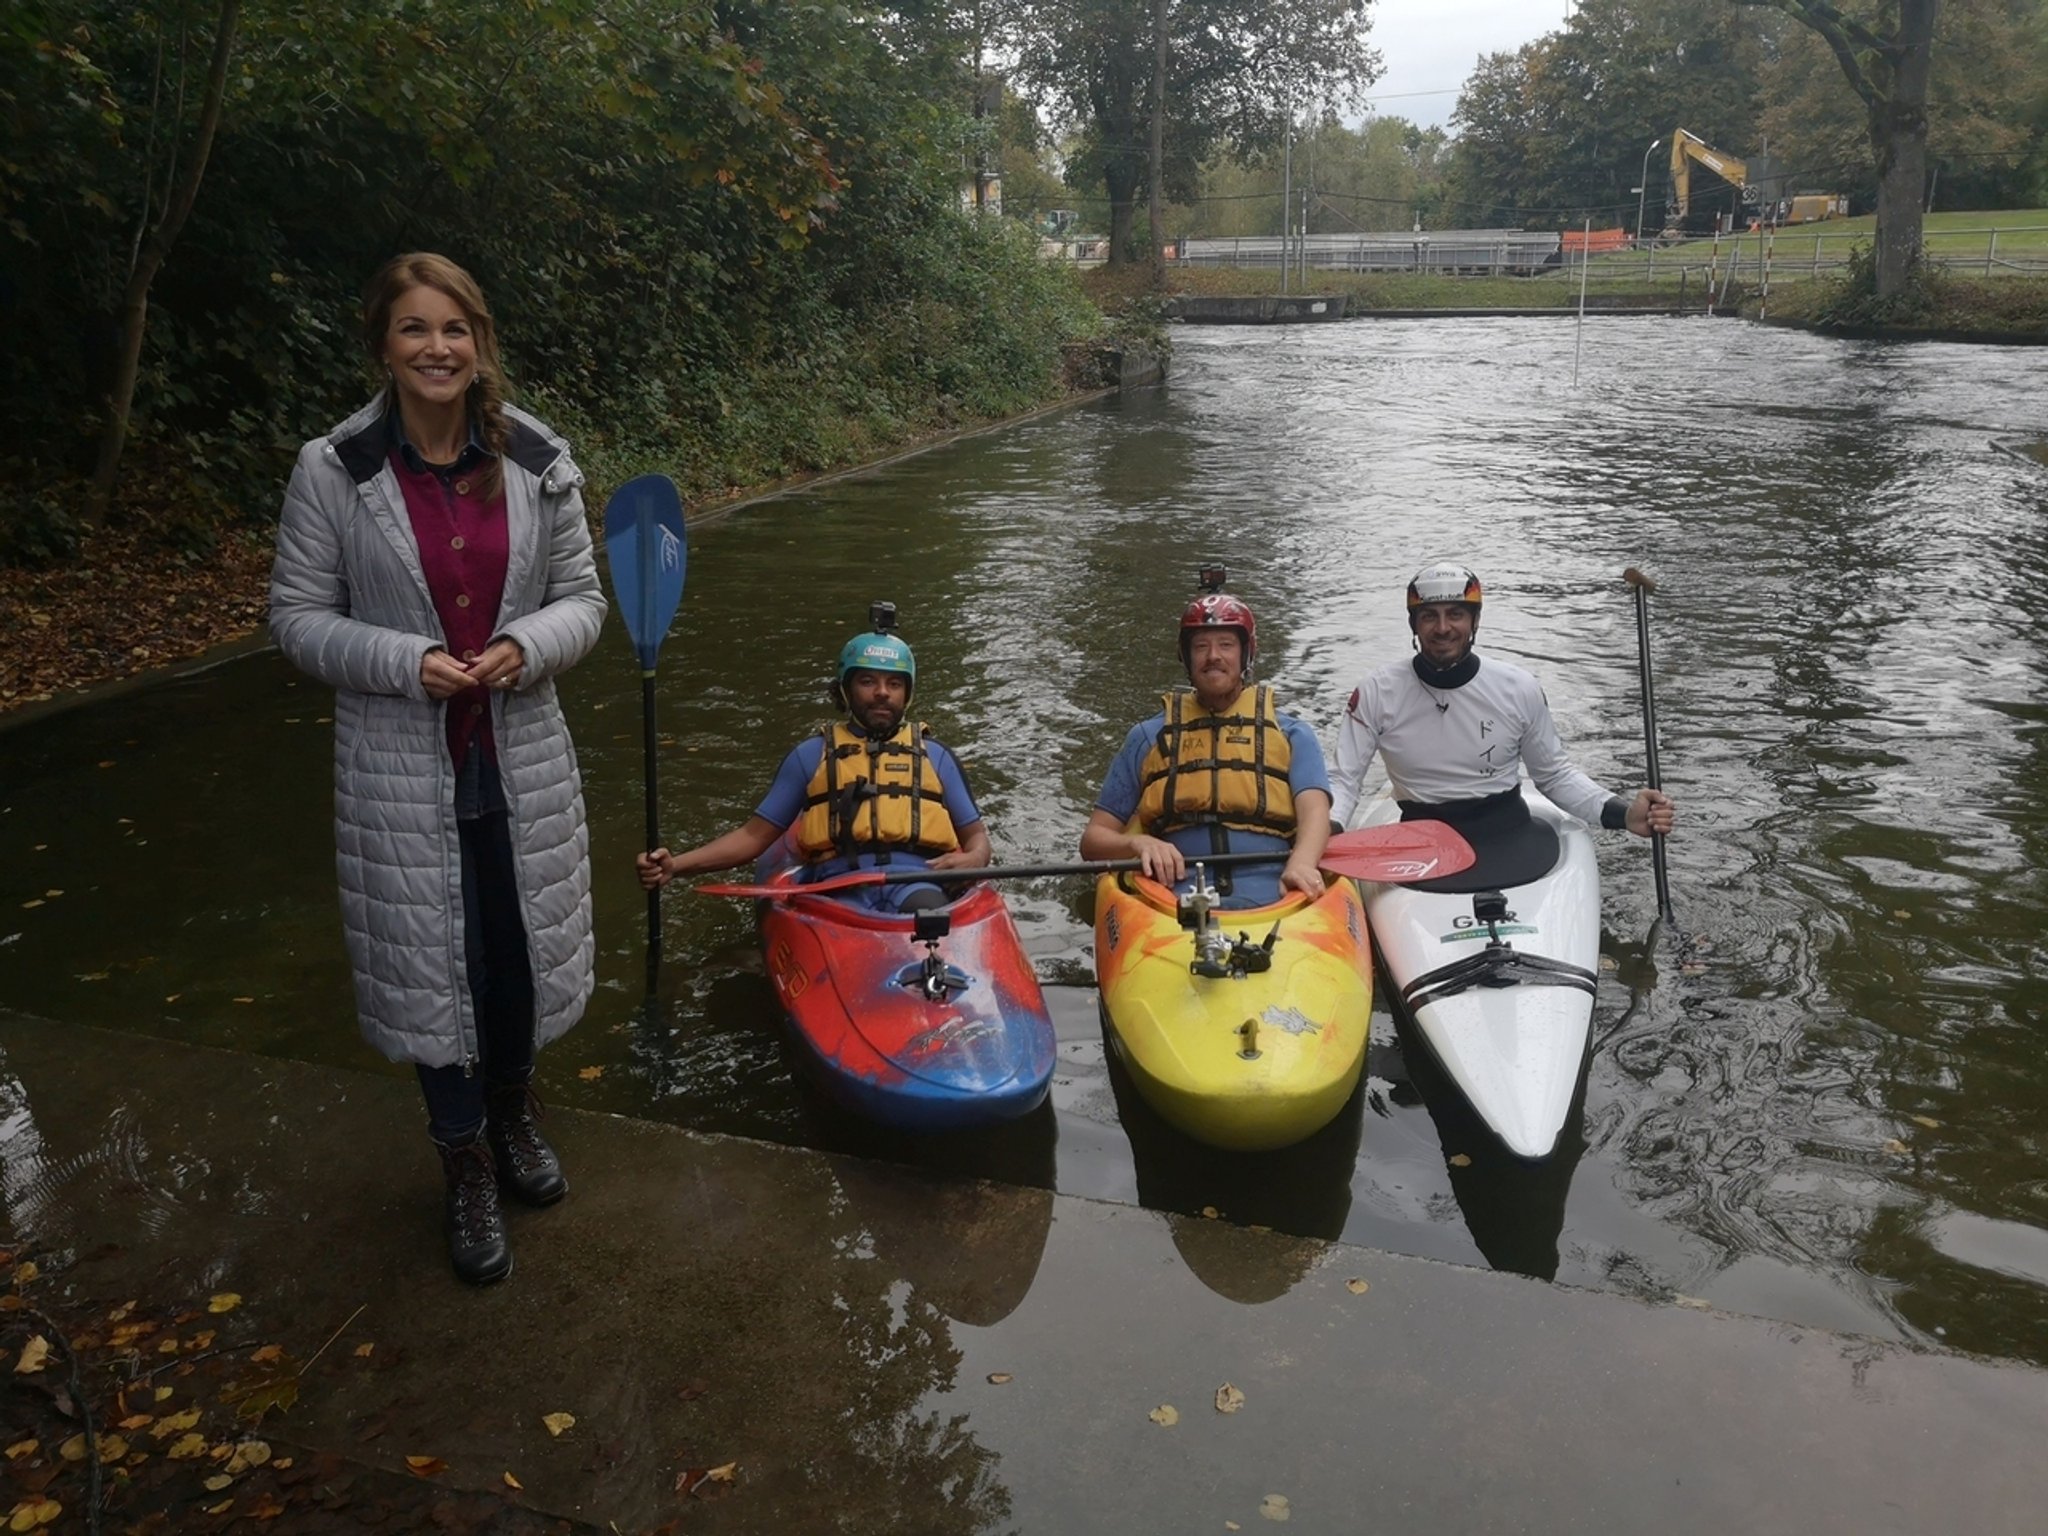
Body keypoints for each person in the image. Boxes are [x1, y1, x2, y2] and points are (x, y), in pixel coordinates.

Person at [269, 253, 606, 1287]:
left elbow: (583, 602)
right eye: (414, 329)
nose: (436, 348)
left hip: (520, 756)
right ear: (383, 343)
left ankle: (512, 1116)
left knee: (513, 949)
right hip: (397, 767)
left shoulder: (539, 460)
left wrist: (525, 647)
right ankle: (460, 1158)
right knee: (431, 960)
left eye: (454, 328)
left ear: (480, 341)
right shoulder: (335, 469)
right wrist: (400, 661)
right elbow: (295, 619)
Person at [636, 619, 992, 907]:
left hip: (916, 882)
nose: (882, 692)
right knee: (844, 921)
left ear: (906, 693)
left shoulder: (936, 756)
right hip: (838, 887)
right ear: (845, 691)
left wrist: (975, 859)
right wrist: (675, 866)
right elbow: (752, 837)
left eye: (894, 683)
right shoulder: (810, 755)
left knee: (928, 910)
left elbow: (976, 838)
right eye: (868, 681)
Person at [1328, 561, 1676, 843]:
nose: (1443, 627)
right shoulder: (1376, 691)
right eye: (1429, 615)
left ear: (1475, 621)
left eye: (1456, 614)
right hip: (1420, 836)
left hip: (1506, 832)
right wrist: (1323, 834)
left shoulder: (1518, 687)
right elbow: (1345, 780)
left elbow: (1554, 775)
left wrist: (1625, 813)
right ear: (1414, 625)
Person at [1080, 585, 1332, 909]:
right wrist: (1137, 844)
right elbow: (1093, 840)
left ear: (1245, 653)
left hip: (1278, 886)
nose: (1213, 656)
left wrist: (1302, 862)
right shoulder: (1146, 738)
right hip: (1170, 893)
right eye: (1201, 646)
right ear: (1186, 657)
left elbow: (1315, 812)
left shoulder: (1292, 734)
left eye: (1226, 645)